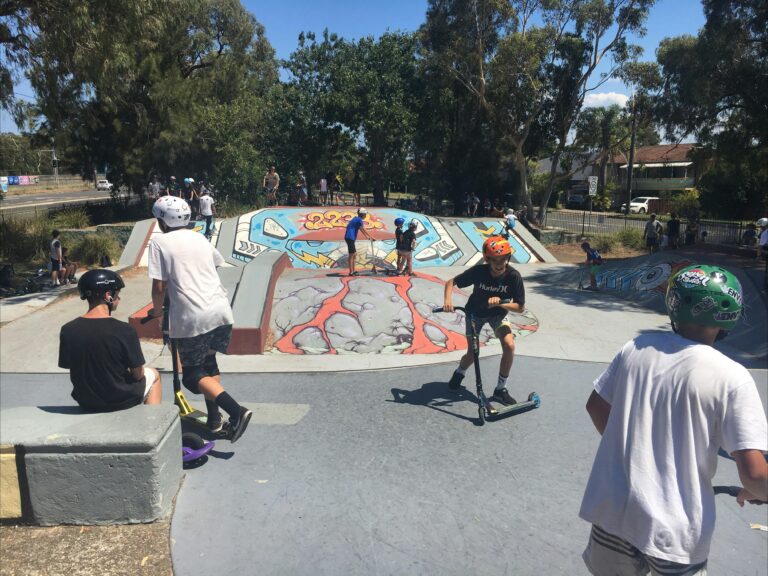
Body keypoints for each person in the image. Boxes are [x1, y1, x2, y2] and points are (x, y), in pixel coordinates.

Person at [579, 264, 767, 575]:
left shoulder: (635, 349)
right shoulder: (733, 377)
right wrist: (760, 491)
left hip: (613, 508)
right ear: (728, 315)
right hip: (675, 528)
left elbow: (596, 407)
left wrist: (636, 455)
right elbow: (755, 475)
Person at [147, 196, 252, 442]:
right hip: (221, 309)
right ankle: (215, 422)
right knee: (209, 365)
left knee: (193, 376)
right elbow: (214, 264)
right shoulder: (199, 237)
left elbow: (159, 286)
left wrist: (158, 311)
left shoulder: (160, 242)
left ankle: (237, 412)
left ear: (161, 220)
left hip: (193, 316)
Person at [59, 269, 162, 411]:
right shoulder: (125, 330)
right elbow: (138, 374)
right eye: (117, 294)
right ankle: (153, 422)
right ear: (108, 296)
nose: (119, 299)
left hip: (86, 401)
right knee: (154, 374)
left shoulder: (68, 329)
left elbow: (73, 369)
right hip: (119, 400)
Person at [442, 236, 525, 412]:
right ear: (487, 259)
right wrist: (448, 300)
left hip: (498, 315)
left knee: (509, 345)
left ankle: (500, 389)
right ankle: (460, 372)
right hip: (475, 314)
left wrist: (500, 303)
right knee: (473, 352)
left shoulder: (513, 276)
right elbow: (451, 282)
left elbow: (519, 307)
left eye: (504, 258)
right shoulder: (479, 272)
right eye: (495, 260)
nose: (500, 263)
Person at [344, 207, 373, 276]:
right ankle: (351, 272)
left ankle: (353, 270)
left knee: (354, 254)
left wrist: (367, 237)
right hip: (350, 237)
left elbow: (361, 229)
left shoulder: (356, 219)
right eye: (365, 214)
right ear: (362, 214)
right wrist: (371, 237)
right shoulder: (359, 220)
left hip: (350, 238)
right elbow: (364, 229)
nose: (366, 215)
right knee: (352, 255)